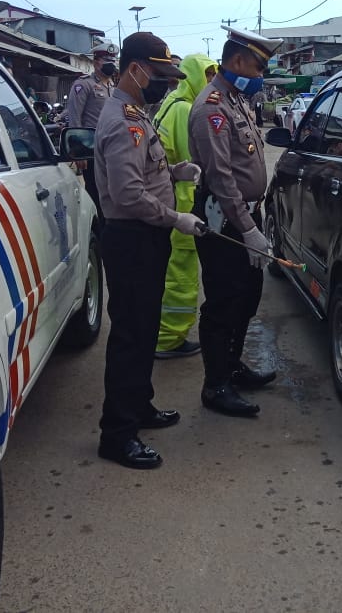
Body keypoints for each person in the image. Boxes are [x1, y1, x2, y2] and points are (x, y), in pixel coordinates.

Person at [94, 32, 205, 469]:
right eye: (159, 74)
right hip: (133, 237)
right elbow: (127, 195)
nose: (165, 82)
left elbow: (142, 169)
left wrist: (176, 170)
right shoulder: (124, 119)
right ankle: (117, 434)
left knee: (143, 330)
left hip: (143, 236)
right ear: (136, 68)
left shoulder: (138, 112)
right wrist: (177, 218)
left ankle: (139, 406)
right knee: (130, 337)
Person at [188, 26, 282, 417]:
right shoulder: (212, 108)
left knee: (248, 296)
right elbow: (222, 178)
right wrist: (246, 228)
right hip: (225, 220)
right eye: (258, 65)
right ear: (238, 60)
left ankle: (232, 365)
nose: (261, 74)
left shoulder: (237, 101)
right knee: (224, 302)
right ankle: (216, 385)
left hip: (244, 216)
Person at [152, 53, 218, 359]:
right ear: (192, 76)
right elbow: (192, 157)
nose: (209, 82)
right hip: (181, 201)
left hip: (171, 196)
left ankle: (166, 334)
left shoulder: (171, 103)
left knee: (172, 272)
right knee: (181, 276)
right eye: (205, 75)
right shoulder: (184, 110)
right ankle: (169, 339)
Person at [67, 42, 118, 224]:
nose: (111, 63)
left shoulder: (113, 87)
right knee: (98, 196)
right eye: (107, 60)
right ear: (96, 62)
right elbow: (74, 117)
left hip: (112, 150)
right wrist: (78, 150)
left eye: (113, 59)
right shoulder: (83, 85)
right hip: (92, 151)